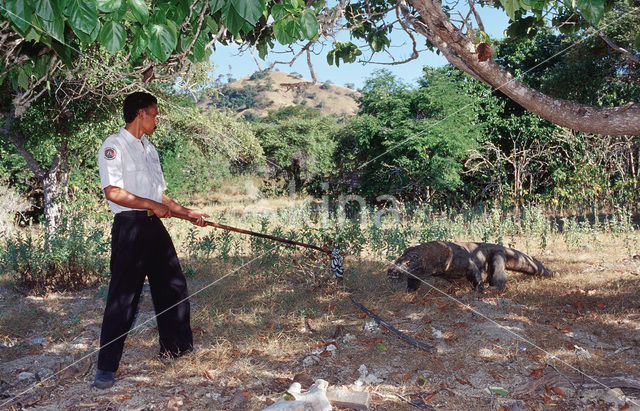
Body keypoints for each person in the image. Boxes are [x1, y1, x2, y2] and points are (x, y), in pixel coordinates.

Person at [94, 92, 209, 389]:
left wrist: (187, 213)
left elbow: (160, 197)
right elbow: (113, 193)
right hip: (129, 228)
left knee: (173, 285)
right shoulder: (113, 146)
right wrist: (149, 204)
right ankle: (106, 368)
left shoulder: (151, 149)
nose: (157, 120)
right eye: (155, 114)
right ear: (141, 113)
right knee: (123, 299)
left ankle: (176, 350)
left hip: (153, 227)